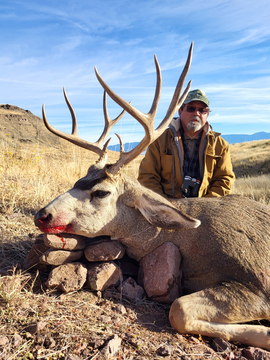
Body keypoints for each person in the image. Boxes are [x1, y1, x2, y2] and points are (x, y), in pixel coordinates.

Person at [138, 89, 235, 198]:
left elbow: (224, 179)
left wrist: (207, 206)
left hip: (205, 207)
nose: (196, 113)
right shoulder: (159, 140)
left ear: (207, 114)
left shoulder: (220, 145)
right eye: (191, 108)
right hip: (167, 206)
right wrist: (163, 205)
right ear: (180, 112)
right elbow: (147, 177)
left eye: (202, 110)